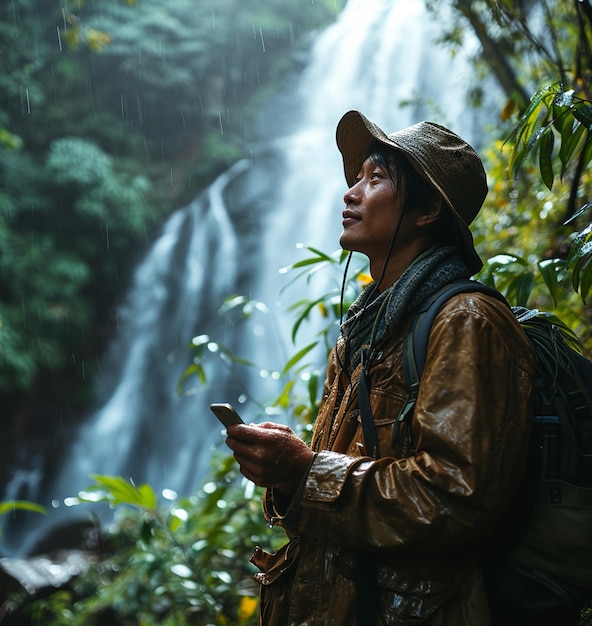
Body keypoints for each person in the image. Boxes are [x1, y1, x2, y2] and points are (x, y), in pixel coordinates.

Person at [226, 110, 535, 625]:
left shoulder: (466, 322)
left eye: (375, 178)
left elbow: (455, 495)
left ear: (428, 208)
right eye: (355, 179)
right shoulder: (366, 330)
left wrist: (306, 470)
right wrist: (287, 475)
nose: (350, 193)